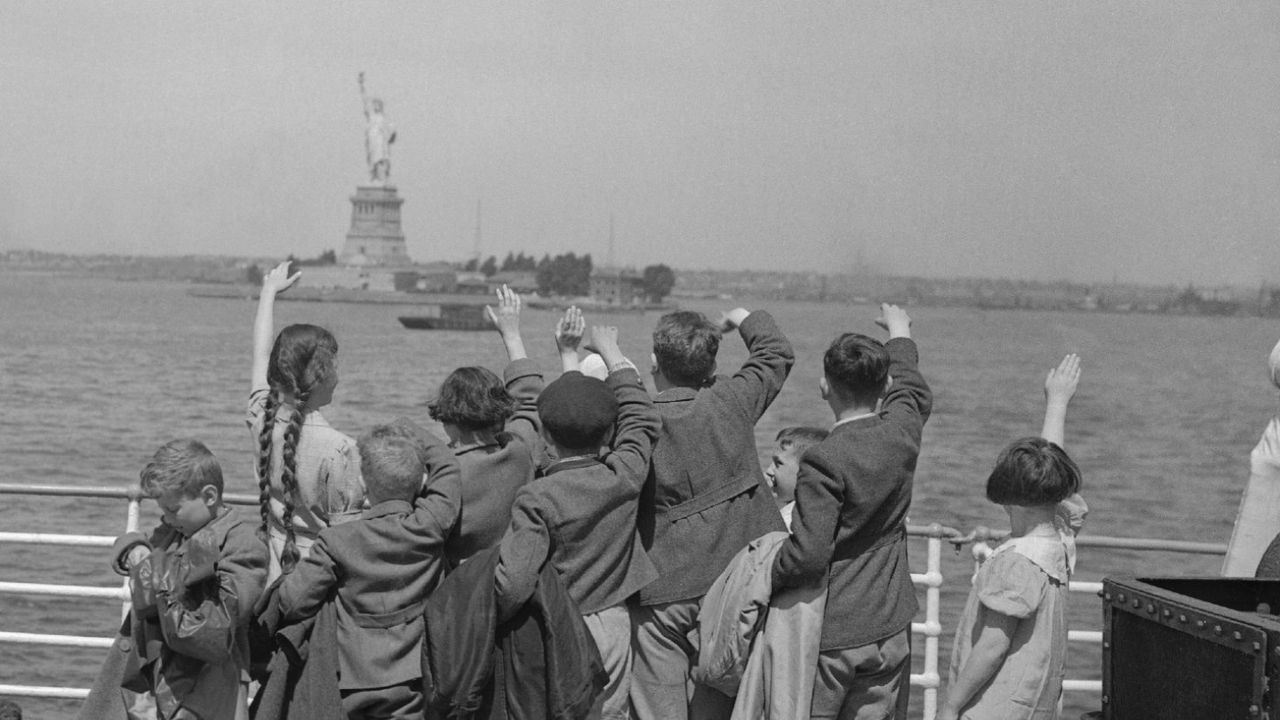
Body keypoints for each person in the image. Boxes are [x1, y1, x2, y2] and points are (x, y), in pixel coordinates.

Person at [631, 306, 794, 720]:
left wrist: (615, 366)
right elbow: (775, 353)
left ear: (654, 363)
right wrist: (742, 317)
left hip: (664, 586)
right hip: (737, 581)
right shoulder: (732, 400)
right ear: (711, 365)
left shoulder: (639, 419)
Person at [771, 304, 932, 720]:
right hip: (891, 625)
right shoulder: (903, 433)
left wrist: (762, 567)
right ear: (884, 386)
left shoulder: (824, 460)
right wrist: (900, 331)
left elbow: (807, 556)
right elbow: (911, 389)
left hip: (837, 632)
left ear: (825, 387)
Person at [495, 325, 661, 720]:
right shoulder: (624, 474)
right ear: (609, 433)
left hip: (559, 626)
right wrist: (613, 354)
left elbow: (515, 583)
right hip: (614, 623)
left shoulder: (537, 497)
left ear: (545, 437)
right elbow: (641, 418)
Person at [274, 426, 461, 719]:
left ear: (362, 481)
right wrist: (405, 427)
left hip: (354, 677)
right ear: (422, 481)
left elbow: (293, 601)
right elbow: (448, 466)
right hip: (417, 674)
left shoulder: (338, 540)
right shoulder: (430, 526)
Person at [939, 354, 1088, 720]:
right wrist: (1057, 402)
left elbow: (993, 646)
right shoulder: (1058, 543)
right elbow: (1049, 469)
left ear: (1004, 497)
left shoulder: (1016, 564)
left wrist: (951, 706)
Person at [111, 439, 268, 720]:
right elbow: (136, 542)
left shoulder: (242, 545)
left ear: (209, 496)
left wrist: (153, 576)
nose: (167, 519)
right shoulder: (176, 529)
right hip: (155, 677)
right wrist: (135, 550)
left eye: (173, 509)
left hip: (211, 686)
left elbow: (213, 631)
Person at [428, 289, 581, 566]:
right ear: (500, 413)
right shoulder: (519, 449)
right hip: (514, 569)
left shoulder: (443, 470)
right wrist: (511, 335)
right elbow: (530, 397)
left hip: (460, 587)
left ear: (447, 418)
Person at [249, 261, 363, 581]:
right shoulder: (341, 450)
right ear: (320, 376)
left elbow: (260, 355)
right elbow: (348, 539)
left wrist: (268, 293)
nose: (339, 376)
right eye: (336, 367)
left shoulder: (261, 419)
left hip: (269, 571)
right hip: (316, 579)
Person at [764, 426, 829, 530]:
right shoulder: (828, 510)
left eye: (778, 463)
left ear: (807, 470)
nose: (769, 470)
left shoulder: (789, 523)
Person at [358, 72, 396, 185]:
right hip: (372, 140)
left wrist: (392, 134)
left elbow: (391, 131)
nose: (375, 106)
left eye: (377, 104)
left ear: (381, 106)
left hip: (380, 141)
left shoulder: (384, 118)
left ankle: (382, 178)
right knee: (372, 159)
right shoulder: (371, 116)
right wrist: (361, 85)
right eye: (374, 104)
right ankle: (373, 177)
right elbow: (364, 100)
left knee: (382, 159)